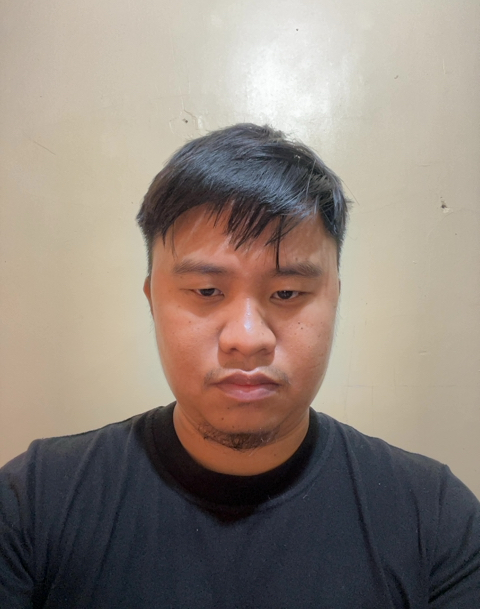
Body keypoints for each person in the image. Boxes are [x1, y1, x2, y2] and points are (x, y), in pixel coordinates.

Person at [0, 123, 479, 608]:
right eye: (207, 291)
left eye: (287, 293)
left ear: (335, 297)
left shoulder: (436, 518)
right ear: (152, 300)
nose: (247, 340)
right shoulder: (33, 504)